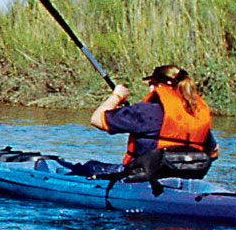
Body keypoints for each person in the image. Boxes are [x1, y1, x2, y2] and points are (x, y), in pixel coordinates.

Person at [90, 63, 220, 180]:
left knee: (89, 167)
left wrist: (117, 96)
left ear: (156, 86)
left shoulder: (146, 111)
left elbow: (96, 119)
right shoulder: (194, 116)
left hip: (139, 177)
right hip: (185, 180)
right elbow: (213, 153)